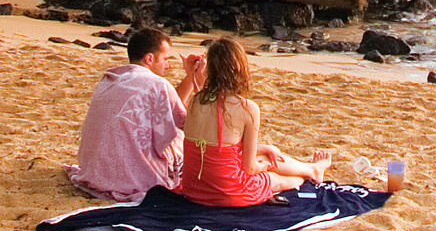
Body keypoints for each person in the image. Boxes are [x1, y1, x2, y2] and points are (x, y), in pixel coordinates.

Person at [177, 38, 330, 206]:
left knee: (267, 154)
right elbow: (250, 168)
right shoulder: (247, 108)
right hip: (227, 192)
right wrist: (265, 165)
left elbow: (218, 147)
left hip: (194, 189)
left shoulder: (196, 101)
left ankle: (313, 169)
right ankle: (311, 173)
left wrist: (264, 150)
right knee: (278, 178)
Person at [67, 27, 207, 201]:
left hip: (96, 171)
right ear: (149, 58)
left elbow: (169, 107)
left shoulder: (111, 78)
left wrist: (190, 77)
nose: (168, 65)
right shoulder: (157, 84)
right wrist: (199, 84)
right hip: (133, 177)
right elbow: (189, 125)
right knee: (180, 139)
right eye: (165, 59)